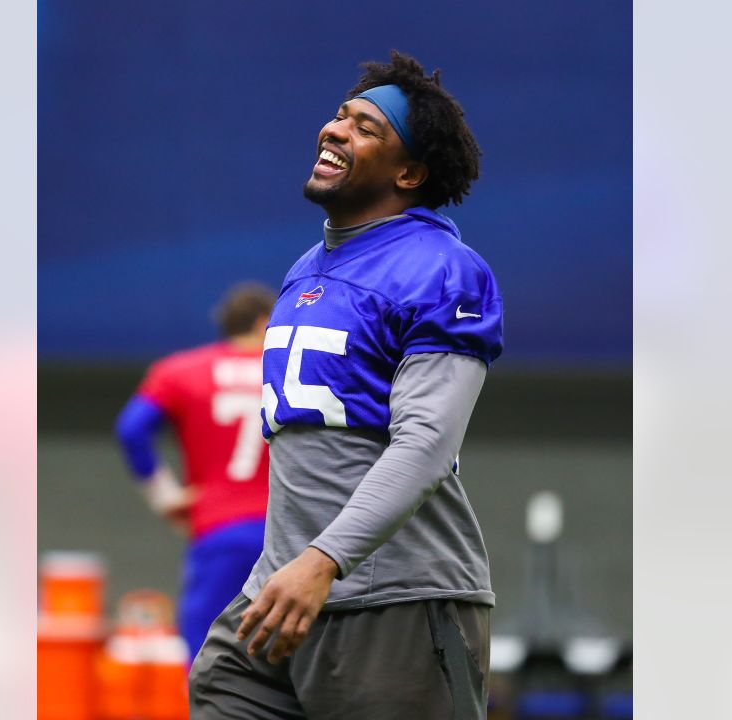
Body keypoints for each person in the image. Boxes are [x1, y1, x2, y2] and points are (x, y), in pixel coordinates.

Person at [189, 51, 503, 719]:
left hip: (395, 603)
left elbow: (425, 443)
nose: (335, 129)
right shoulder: (308, 266)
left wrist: (324, 559)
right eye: (339, 115)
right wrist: (283, 570)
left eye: (366, 128)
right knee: (219, 689)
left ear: (409, 172)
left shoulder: (443, 269)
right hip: (279, 594)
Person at [115, 282, 276, 659]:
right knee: (292, 658)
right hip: (294, 532)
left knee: (208, 655)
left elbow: (131, 429)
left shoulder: (180, 370)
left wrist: (166, 497)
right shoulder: (293, 368)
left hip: (220, 526)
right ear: (264, 322)